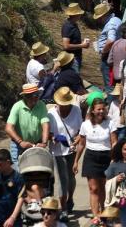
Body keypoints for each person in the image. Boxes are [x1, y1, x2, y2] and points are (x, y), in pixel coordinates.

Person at [73, 97, 117, 218]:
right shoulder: (85, 125)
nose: (101, 111)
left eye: (103, 109)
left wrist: (114, 158)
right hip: (91, 157)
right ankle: (96, 216)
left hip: (106, 156)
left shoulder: (110, 123)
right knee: (93, 189)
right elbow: (81, 144)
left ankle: (104, 211)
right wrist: (76, 161)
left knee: (104, 187)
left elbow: (114, 142)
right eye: (98, 109)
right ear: (92, 110)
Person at [47, 88, 82, 216]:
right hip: (57, 151)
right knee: (62, 179)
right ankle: (63, 208)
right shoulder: (51, 113)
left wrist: (75, 142)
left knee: (71, 177)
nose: (63, 106)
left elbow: (80, 132)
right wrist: (53, 138)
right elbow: (48, 133)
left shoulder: (76, 110)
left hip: (72, 150)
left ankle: (70, 199)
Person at [5, 83, 50, 163]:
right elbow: (8, 128)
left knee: (37, 168)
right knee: (18, 169)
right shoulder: (17, 106)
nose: (35, 98)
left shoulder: (41, 105)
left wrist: (44, 142)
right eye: (32, 95)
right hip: (18, 144)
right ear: (25, 97)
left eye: (37, 95)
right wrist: (20, 141)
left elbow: (45, 125)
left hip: (36, 143)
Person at [0, 148, 24, 227]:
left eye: (0, 164)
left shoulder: (17, 177)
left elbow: (21, 198)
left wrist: (12, 218)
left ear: (8, 162)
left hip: (13, 220)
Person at [61, 3, 90, 70]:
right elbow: (66, 46)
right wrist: (82, 45)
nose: (80, 15)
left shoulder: (74, 24)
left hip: (76, 57)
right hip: (72, 58)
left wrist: (82, 43)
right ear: (76, 15)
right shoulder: (68, 27)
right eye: (79, 14)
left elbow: (73, 41)